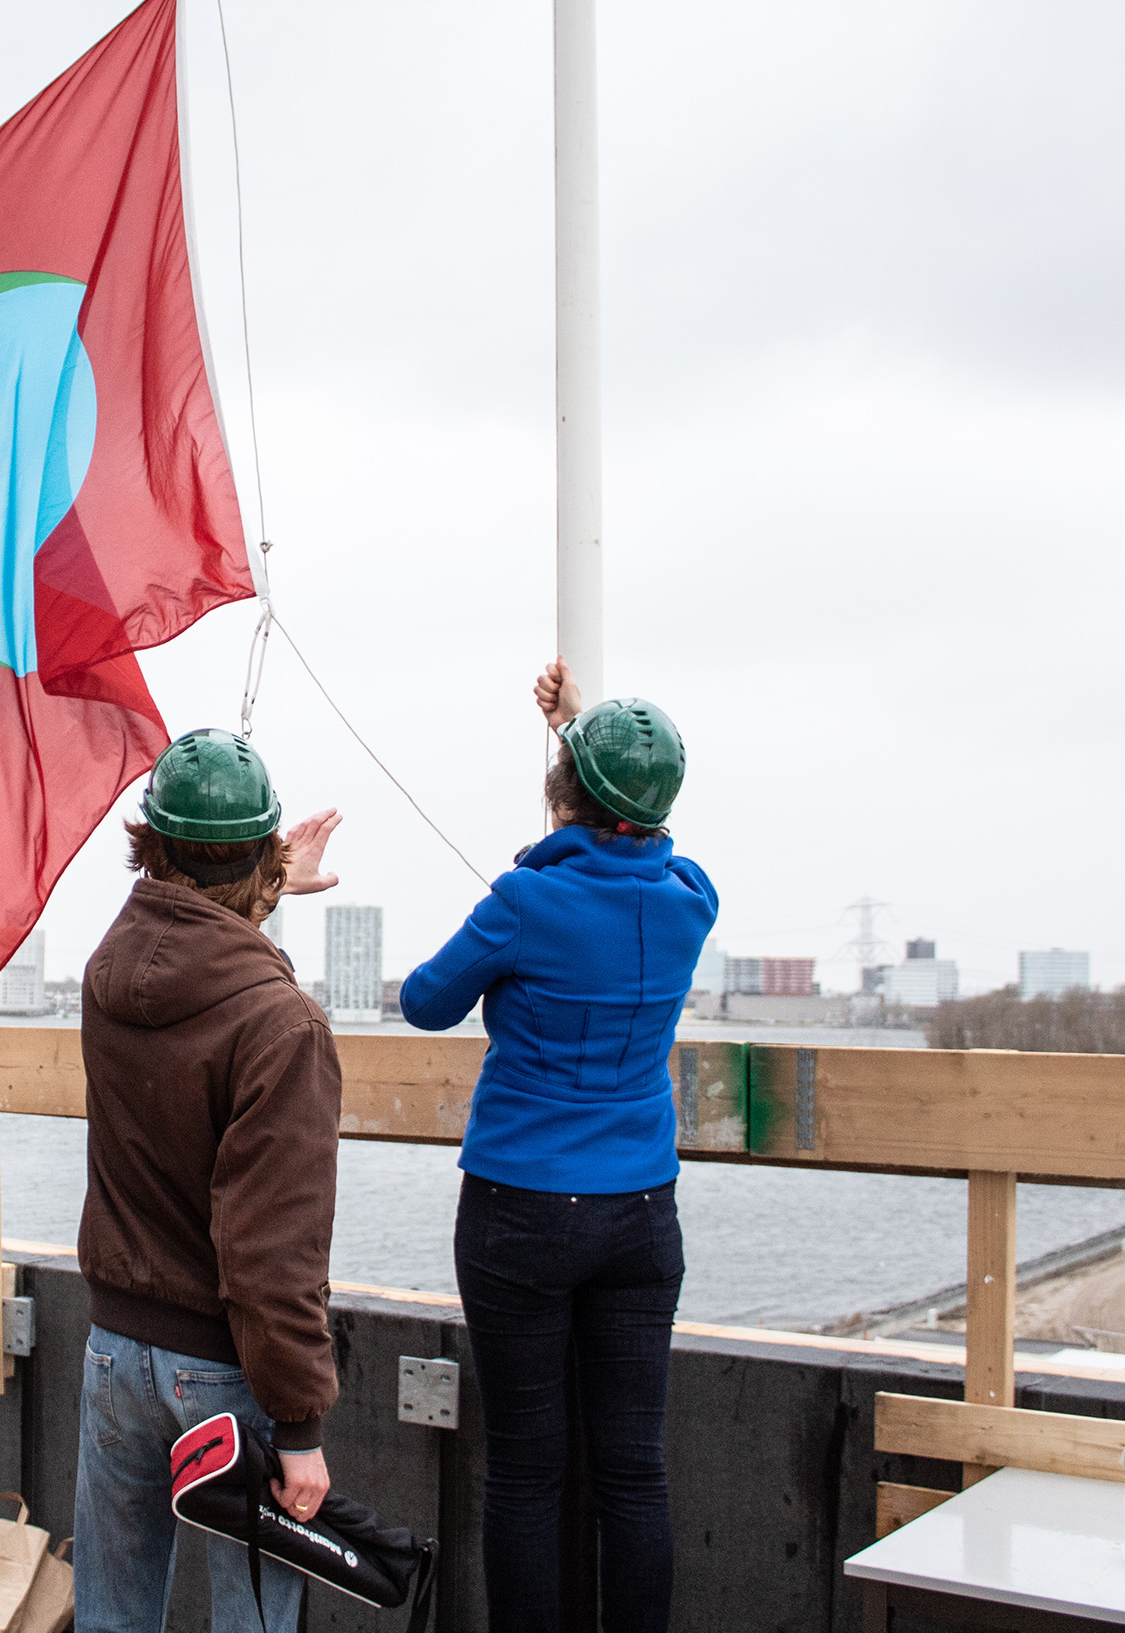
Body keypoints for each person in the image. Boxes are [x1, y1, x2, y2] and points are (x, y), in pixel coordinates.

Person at [400, 662, 717, 1633]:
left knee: (526, 1473)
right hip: (641, 1216)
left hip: (521, 1212)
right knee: (634, 1472)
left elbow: (424, 1001)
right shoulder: (690, 901)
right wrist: (587, 733)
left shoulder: (525, 900)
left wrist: (536, 861)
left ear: (564, 795)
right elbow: (650, 845)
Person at [74, 728, 344, 1633]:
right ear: (264, 856)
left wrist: (261, 880)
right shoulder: (283, 1023)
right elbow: (273, 1253)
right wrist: (299, 1428)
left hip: (114, 1349)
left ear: (148, 844)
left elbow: (179, 935)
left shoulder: (105, 975)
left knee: (112, 1617)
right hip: (223, 1373)